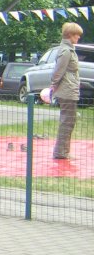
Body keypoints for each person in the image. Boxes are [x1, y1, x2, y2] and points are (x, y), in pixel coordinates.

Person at [51, 21, 83, 160]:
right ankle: (61, 152)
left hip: (70, 90)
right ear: (70, 35)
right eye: (77, 35)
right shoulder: (66, 51)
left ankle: (63, 151)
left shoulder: (69, 50)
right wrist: (53, 86)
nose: (79, 37)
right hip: (67, 91)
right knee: (67, 121)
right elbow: (58, 71)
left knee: (69, 121)